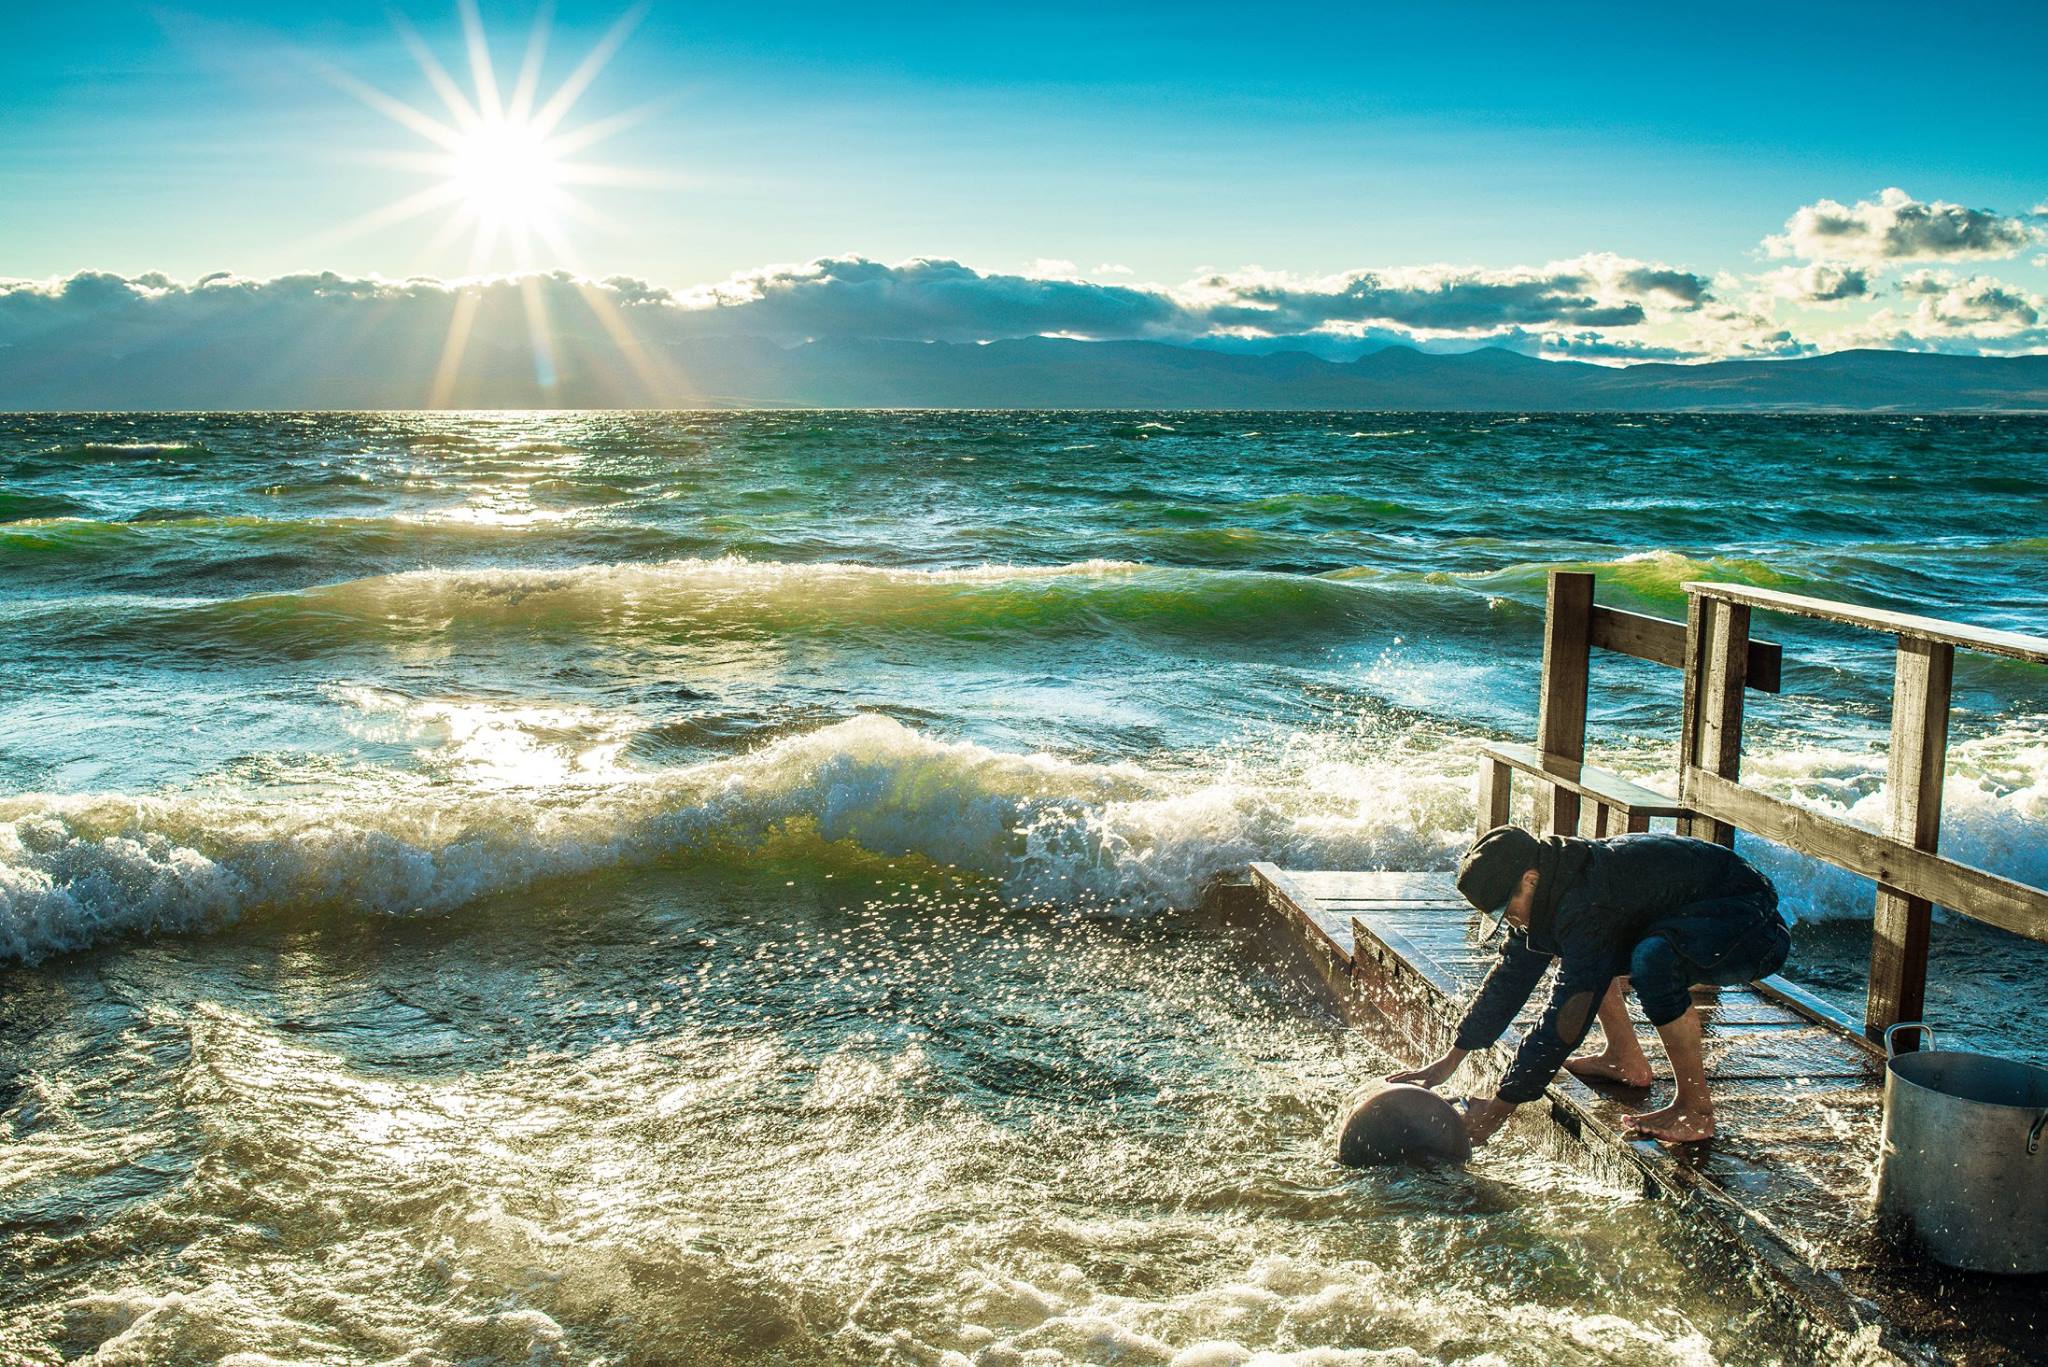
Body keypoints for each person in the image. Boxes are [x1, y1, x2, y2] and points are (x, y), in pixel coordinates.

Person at [1388, 824, 1789, 1144]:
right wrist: (1451, 1059)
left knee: (1651, 961)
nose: (1506, 919)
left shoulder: (1584, 904)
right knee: (1587, 954)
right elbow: (1511, 977)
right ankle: (1624, 1058)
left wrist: (1497, 1110)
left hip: (1751, 928)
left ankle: (1695, 1110)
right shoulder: (1556, 880)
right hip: (1699, 911)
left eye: (1503, 908)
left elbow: (1566, 1019)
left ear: (1529, 879)